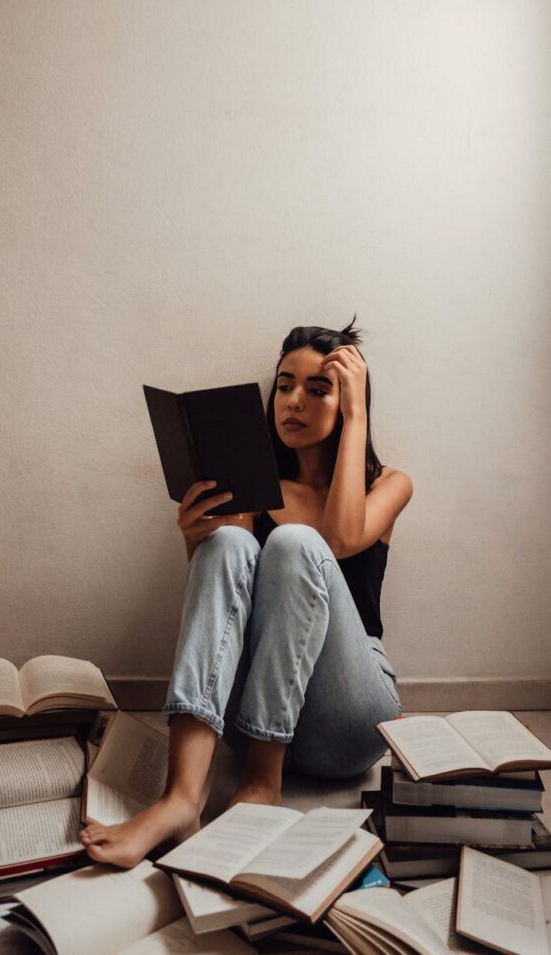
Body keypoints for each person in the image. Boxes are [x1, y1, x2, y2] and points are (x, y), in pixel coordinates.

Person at [79, 319, 413, 868]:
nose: (294, 401)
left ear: (352, 400)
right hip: (254, 712)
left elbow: (340, 538)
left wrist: (356, 417)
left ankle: (263, 784)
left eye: (318, 388)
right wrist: (195, 543)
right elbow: (226, 610)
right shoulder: (254, 487)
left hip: (347, 720)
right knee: (230, 541)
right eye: (285, 385)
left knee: (296, 543)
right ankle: (182, 798)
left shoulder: (390, 483)